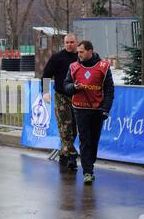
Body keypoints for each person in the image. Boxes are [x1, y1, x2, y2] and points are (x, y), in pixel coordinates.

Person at [64, 40, 114, 184]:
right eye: (77, 52)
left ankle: (90, 162)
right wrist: (73, 87)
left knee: (94, 140)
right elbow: (63, 84)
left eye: (81, 52)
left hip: (97, 109)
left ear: (90, 51)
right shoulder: (73, 67)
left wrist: (106, 109)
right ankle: (87, 171)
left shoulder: (103, 67)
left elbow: (109, 90)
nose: (78, 54)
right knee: (85, 140)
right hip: (80, 109)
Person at [42, 33, 79, 170]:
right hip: (61, 97)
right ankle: (72, 157)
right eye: (67, 42)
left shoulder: (79, 58)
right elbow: (46, 75)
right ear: (64, 43)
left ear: (76, 42)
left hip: (77, 97)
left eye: (72, 42)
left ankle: (64, 153)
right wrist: (45, 92)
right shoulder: (57, 58)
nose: (69, 44)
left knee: (74, 129)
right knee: (65, 128)